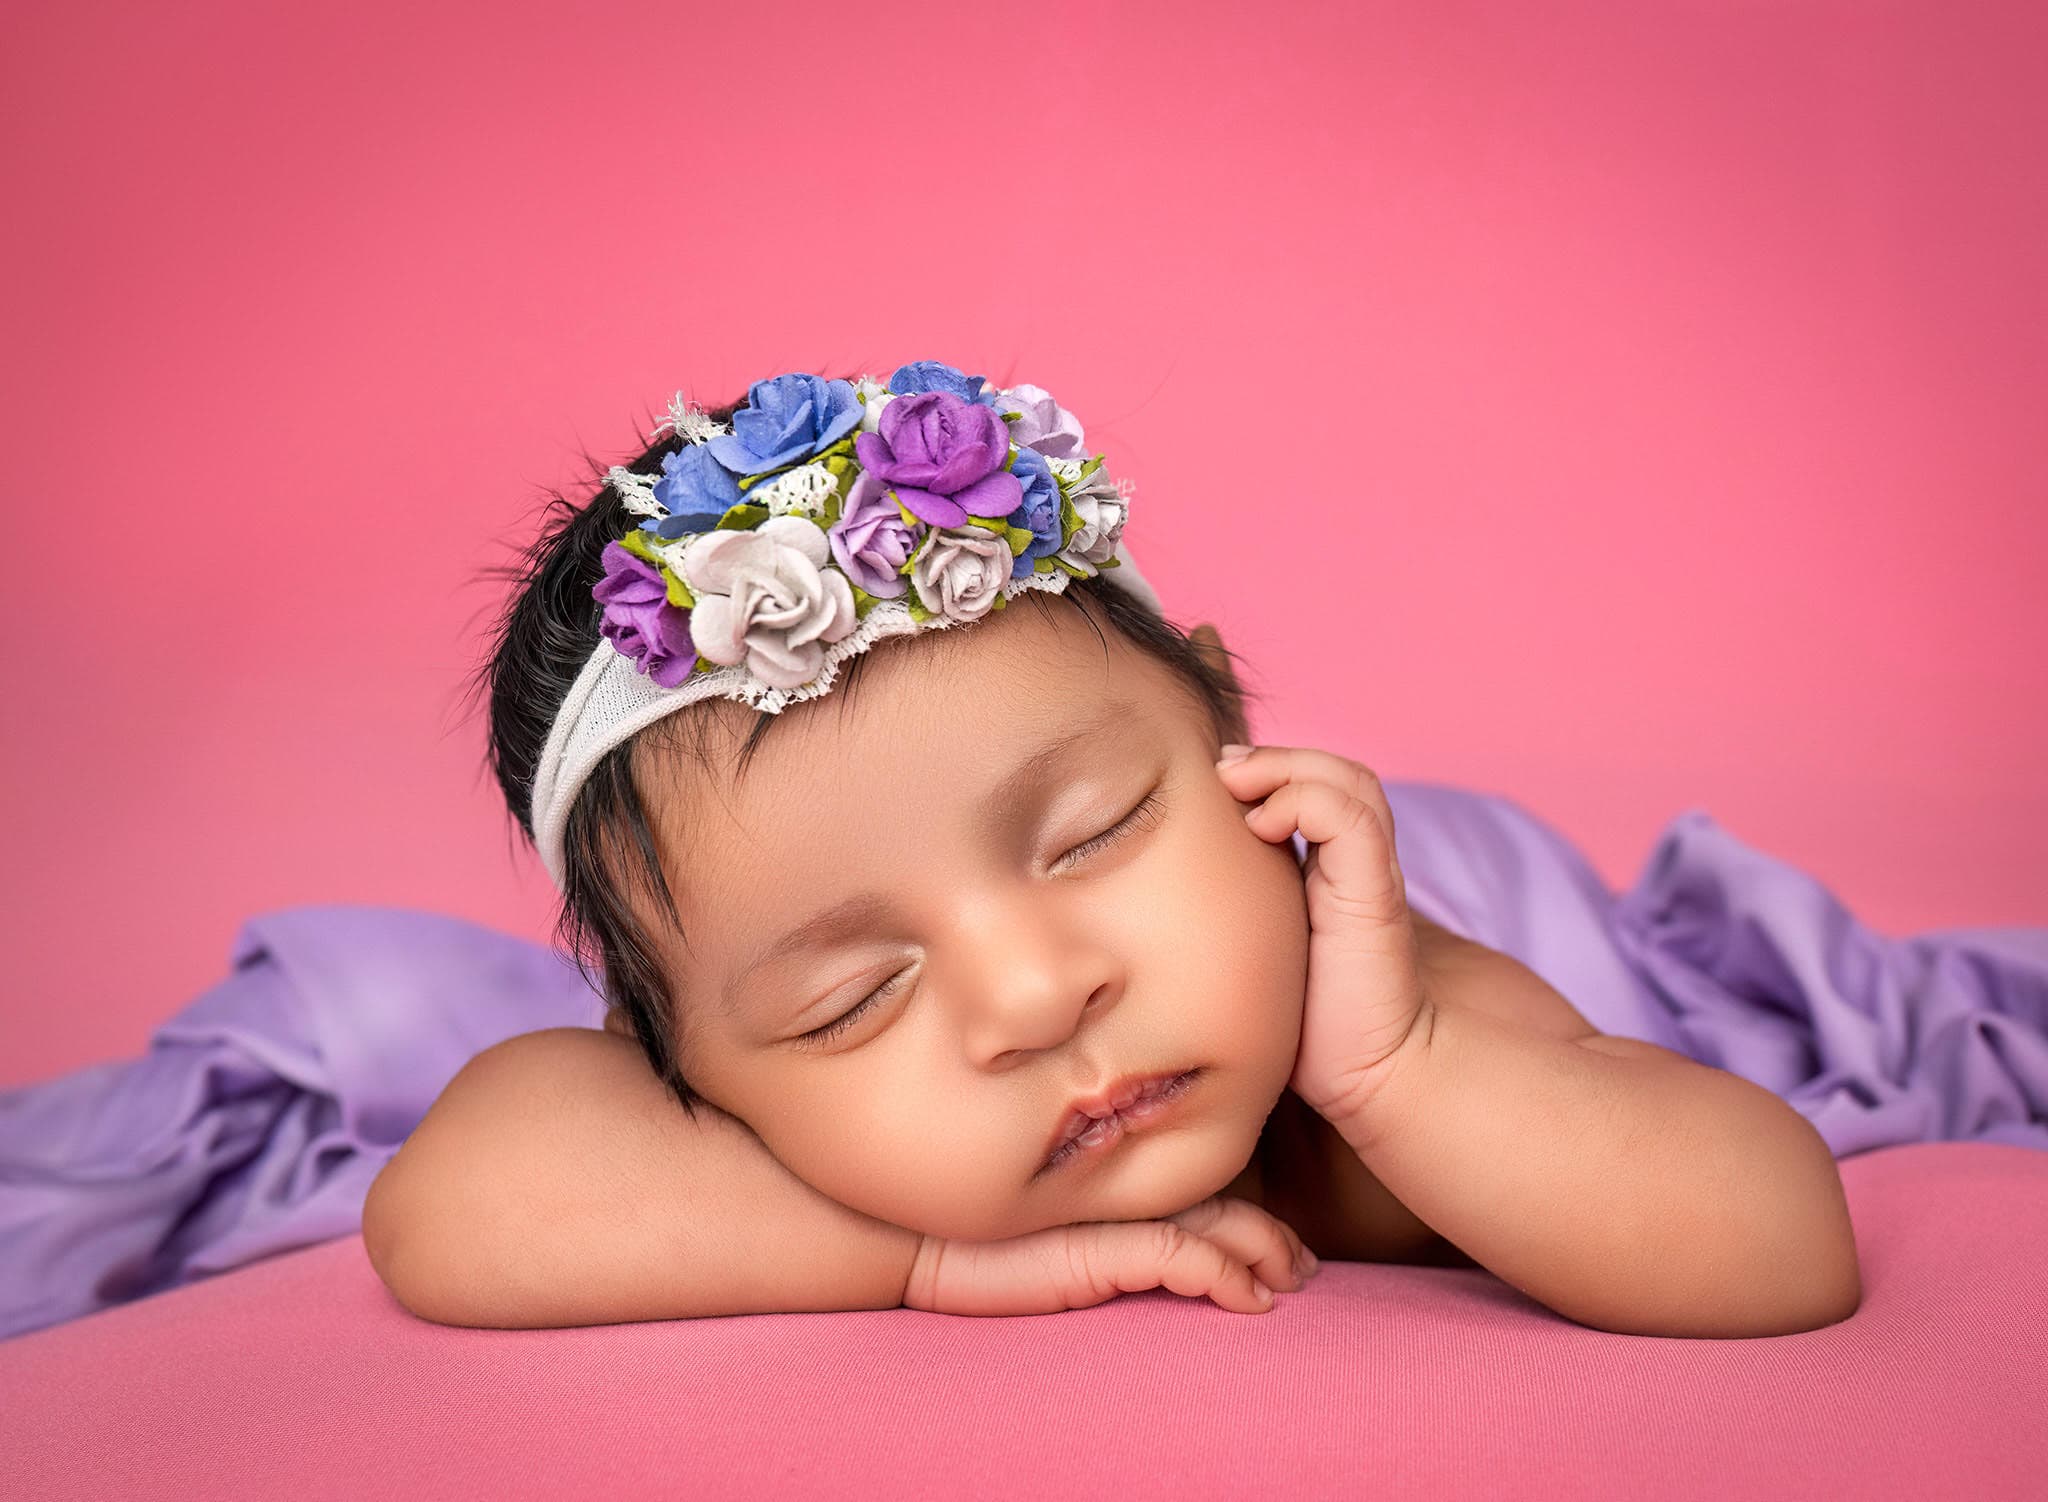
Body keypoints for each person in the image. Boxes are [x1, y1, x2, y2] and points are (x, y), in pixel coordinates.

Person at [362, 362, 1861, 1337]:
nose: (1035, 995)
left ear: (1231, 734)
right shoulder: (728, 1116)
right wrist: (923, 1261)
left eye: (1097, 834)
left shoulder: (1392, 1022)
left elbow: (1786, 1244)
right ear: (678, 1067)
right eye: (851, 1000)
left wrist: (1400, 1070)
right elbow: (446, 1209)